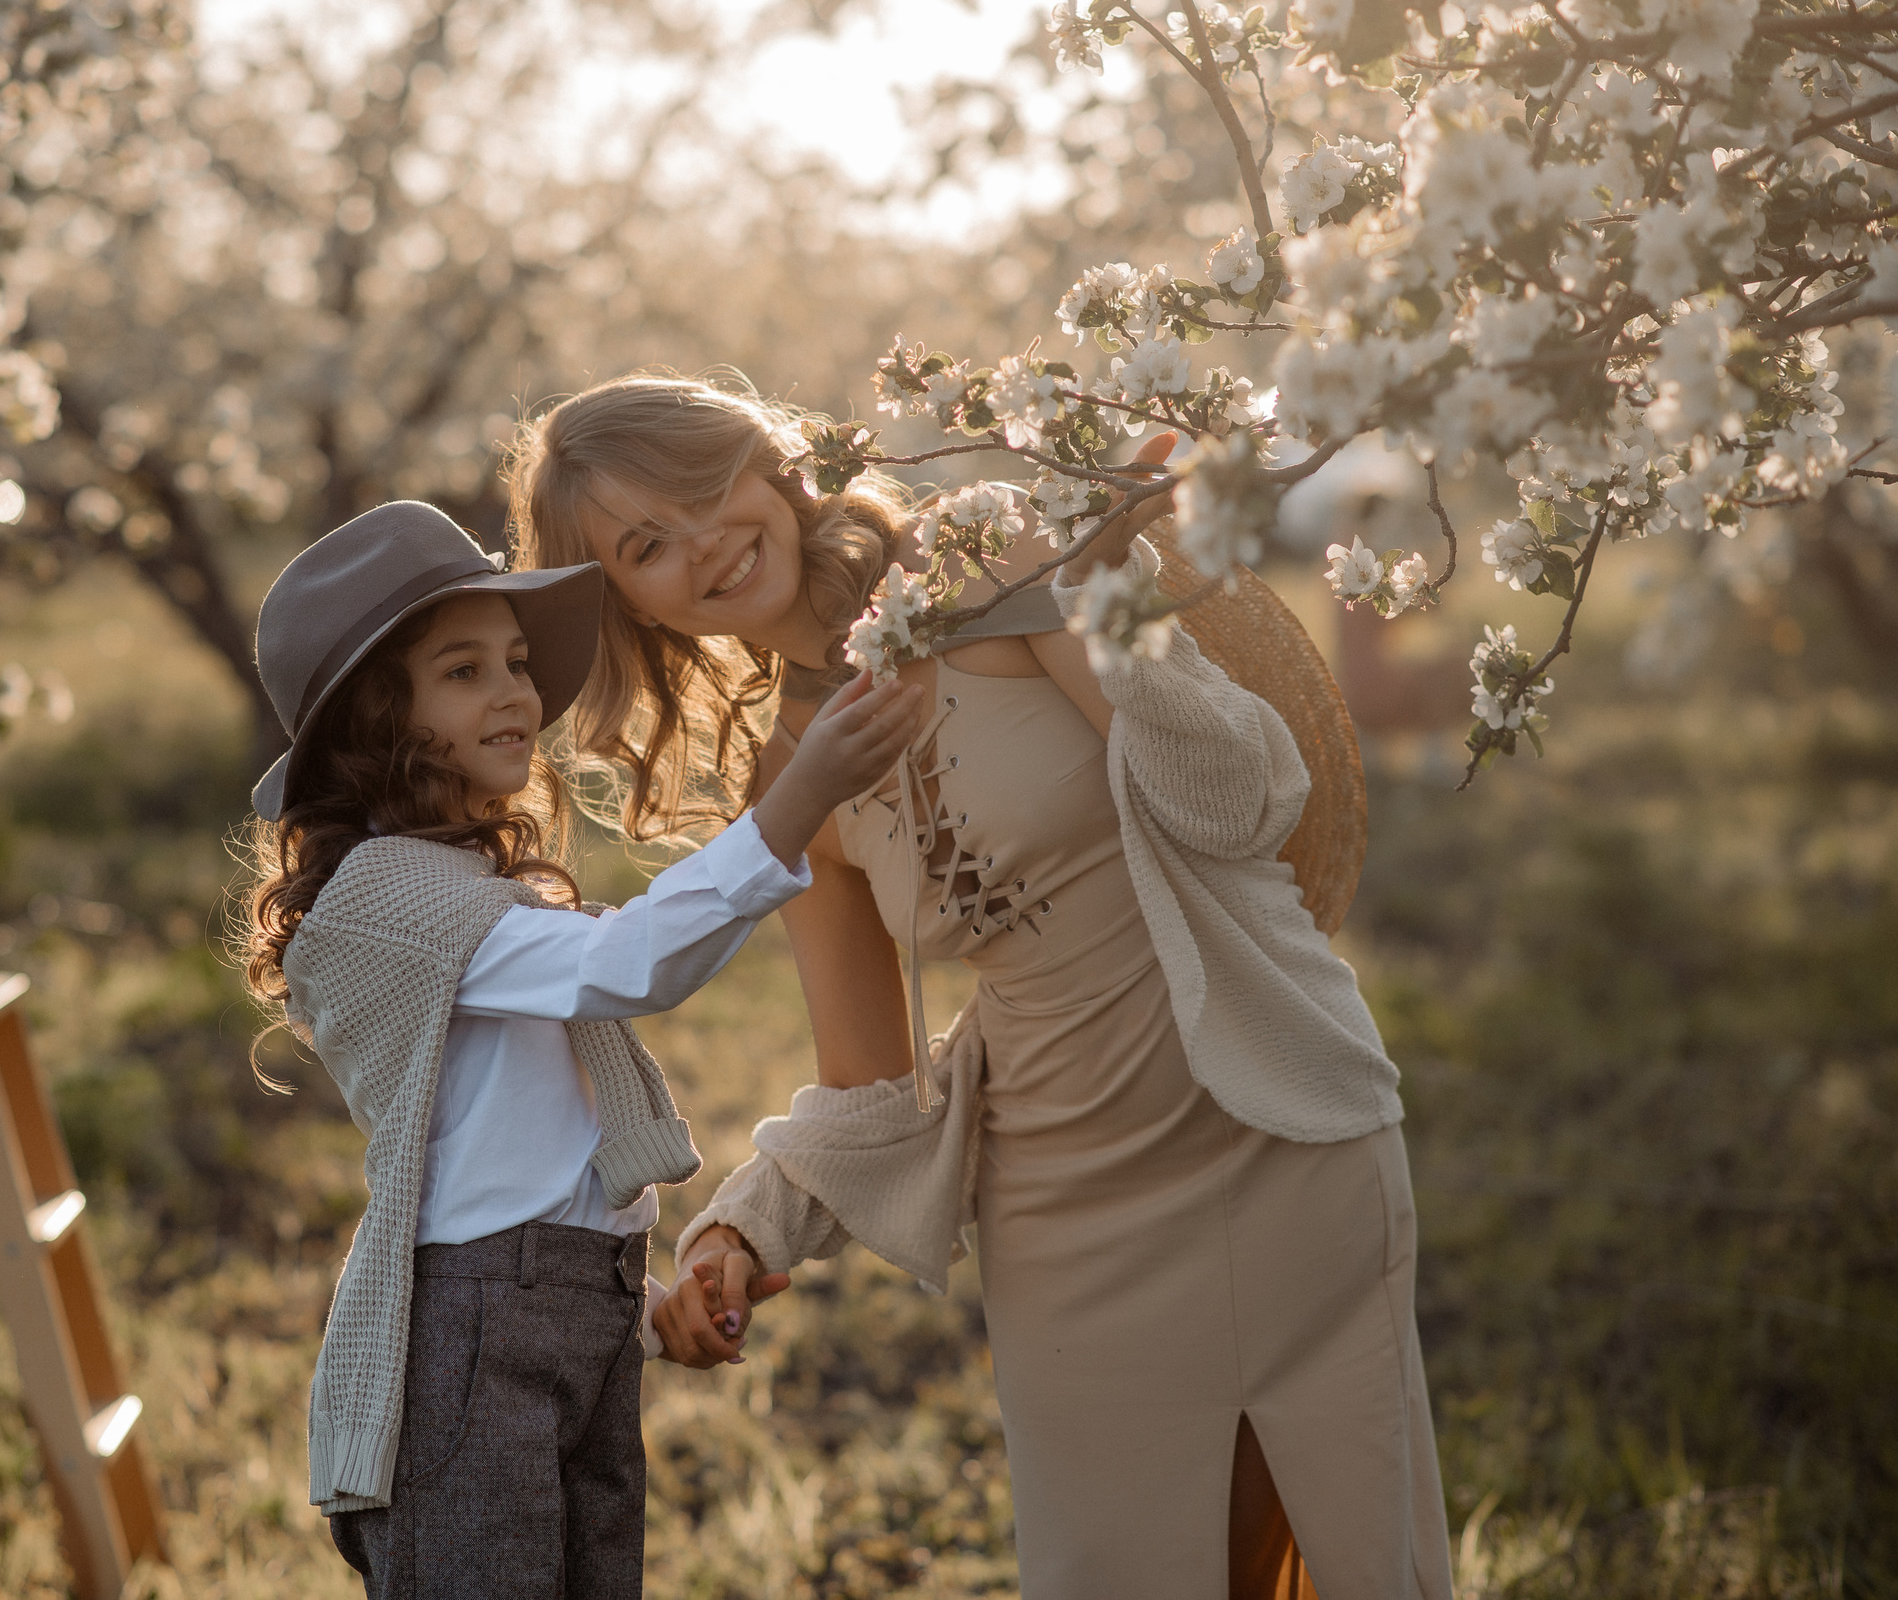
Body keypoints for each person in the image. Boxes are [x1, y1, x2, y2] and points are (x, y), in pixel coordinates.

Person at [505, 375, 1453, 1599]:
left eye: (704, 491)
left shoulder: (988, 555)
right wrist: (747, 1225)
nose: (702, 544)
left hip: (1279, 1131)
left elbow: (1238, 805)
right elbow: (868, 1083)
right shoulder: (790, 776)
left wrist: (1104, 592)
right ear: (626, 599)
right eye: (645, 545)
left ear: (769, 466)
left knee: (1370, 1563)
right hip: (1060, 1217)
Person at [234, 499, 928, 1599]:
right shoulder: (384, 898)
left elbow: (519, 1149)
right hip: (469, 1346)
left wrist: (640, 1305)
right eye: (462, 671)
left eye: (514, 660)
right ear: (380, 720)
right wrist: (791, 805)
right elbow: (625, 965)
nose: (513, 690)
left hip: (560, 1321)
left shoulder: (470, 891)